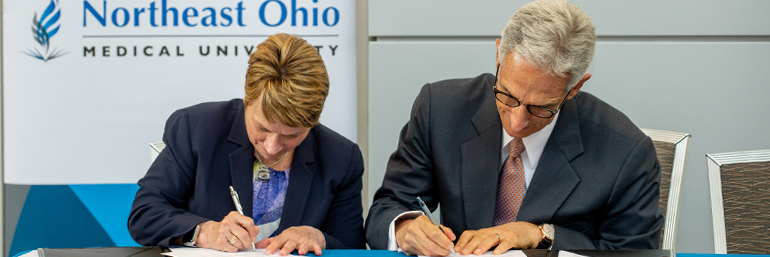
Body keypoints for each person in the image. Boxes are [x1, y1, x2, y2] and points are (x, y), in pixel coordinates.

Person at [365, 0, 663, 255]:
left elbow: (635, 253)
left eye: (540, 108)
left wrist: (542, 235)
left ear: (574, 88)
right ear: (498, 55)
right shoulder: (441, 110)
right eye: (507, 95)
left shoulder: (625, 151)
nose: (517, 121)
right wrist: (404, 228)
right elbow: (386, 209)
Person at [129, 33, 366, 255]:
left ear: (313, 122)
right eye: (262, 128)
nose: (272, 147)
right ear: (247, 99)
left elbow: (352, 246)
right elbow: (145, 214)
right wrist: (203, 232)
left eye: (291, 136)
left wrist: (318, 237)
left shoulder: (341, 158)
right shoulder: (198, 129)